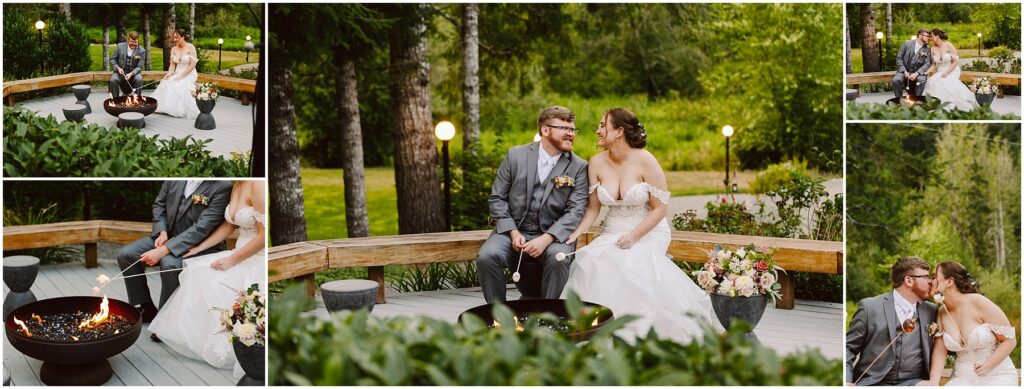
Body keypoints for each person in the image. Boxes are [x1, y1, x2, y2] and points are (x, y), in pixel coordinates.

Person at [558, 108, 713, 344]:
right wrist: (576, 233)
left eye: (603, 126)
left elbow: (660, 208)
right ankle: (601, 333)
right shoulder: (596, 163)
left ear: (619, 132)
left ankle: (638, 334)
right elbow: (593, 208)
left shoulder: (645, 160)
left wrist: (633, 236)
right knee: (594, 260)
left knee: (630, 262)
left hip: (648, 230)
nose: (597, 130)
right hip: (613, 230)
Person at [149, 180, 267, 378]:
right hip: (238, 251)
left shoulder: (258, 186)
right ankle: (198, 338)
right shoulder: (236, 184)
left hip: (254, 256)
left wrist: (231, 260)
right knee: (197, 269)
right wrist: (198, 249)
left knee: (218, 281)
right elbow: (228, 225)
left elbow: (263, 237)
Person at [476, 105, 590, 303]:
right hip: (513, 230)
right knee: (487, 256)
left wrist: (547, 238)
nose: (571, 134)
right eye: (565, 128)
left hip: (554, 236)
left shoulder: (579, 167)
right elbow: (497, 199)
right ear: (545, 130)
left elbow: (576, 210)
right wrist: (512, 232)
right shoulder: (515, 156)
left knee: (558, 258)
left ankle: (548, 318)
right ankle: (497, 316)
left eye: (573, 129)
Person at [115, 180, 233, 322]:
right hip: (167, 236)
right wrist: (162, 230)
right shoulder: (174, 178)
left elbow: (203, 226)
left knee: (170, 263)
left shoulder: (222, 186)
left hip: (200, 244)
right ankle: (146, 308)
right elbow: (159, 205)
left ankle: (165, 320)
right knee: (127, 254)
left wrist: (165, 250)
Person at [846, 256, 937, 386]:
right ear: (909, 280)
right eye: (925, 277)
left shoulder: (931, 310)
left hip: (915, 383)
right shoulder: (870, 307)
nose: (930, 282)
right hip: (873, 383)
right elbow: (848, 347)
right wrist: (845, 381)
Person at [921, 262, 1016, 386]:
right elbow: (940, 351)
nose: (930, 281)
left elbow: (1010, 341)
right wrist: (933, 381)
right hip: (961, 378)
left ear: (949, 282)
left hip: (997, 375)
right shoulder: (942, 312)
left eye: (934, 277)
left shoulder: (979, 302)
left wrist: (988, 365)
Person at [922, 28, 980, 111]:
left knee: (946, 82)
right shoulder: (933, 48)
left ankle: (950, 107)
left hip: (951, 70)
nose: (930, 38)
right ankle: (936, 106)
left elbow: (955, 62)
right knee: (932, 81)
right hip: (940, 71)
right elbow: (934, 65)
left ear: (937, 36)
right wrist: (926, 72)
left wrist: (946, 72)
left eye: (931, 36)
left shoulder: (948, 45)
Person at [151, 28, 200, 118]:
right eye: (174, 37)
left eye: (177, 37)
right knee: (167, 82)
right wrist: (169, 73)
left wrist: (182, 76)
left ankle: (180, 109)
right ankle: (166, 107)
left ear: (183, 37)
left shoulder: (190, 47)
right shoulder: (173, 49)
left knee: (180, 84)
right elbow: (172, 65)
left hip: (189, 73)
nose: (175, 39)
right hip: (177, 73)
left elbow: (192, 65)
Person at [892, 29, 933, 101]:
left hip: (918, 72)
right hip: (904, 70)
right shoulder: (906, 43)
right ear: (920, 36)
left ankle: (916, 101)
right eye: (927, 36)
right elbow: (899, 58)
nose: (929, 38)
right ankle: (899, 101)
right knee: (896, 80)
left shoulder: (928, 49)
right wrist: (904, 71)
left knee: (921, 80)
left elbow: (927, 64)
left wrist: (916, 74)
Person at [108, 32, 146, 98]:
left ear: (138, 41)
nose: (134, 44)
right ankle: (116, 100)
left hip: (134, 72)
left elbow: (139, 66)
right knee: (113, 80)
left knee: (139, 79)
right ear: (128, 40)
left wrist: (131, 73)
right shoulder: (120, 46)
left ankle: (137, 100)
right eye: (132, 42)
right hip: (120, 72)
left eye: (136, 42)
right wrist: (117, 68)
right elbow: (112, 59)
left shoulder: (142, 51)